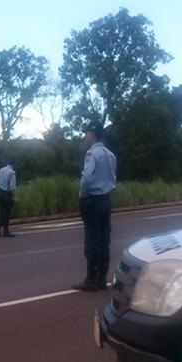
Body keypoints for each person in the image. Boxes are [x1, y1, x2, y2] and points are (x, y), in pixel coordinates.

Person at [73, 122, 117, 291]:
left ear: (92, 134)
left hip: (93, 200)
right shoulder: (110, 155)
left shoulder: (92, 154)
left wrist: (82, 196)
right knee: (104, 240)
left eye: (86, 133)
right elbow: (112, 178)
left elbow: (87, 178)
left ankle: (91, 279)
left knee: (92, 239)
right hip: (106, 199)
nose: (85, 136)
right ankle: (101, 279)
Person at [0, 159, 17, 237]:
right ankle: (5, 231)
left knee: (2, 212)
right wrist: (15, 197)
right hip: (7, 194)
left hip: (0, 192)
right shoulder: (12, 173)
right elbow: (12, 187)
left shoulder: (1, 170)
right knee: (7, 213)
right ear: (14, 164)